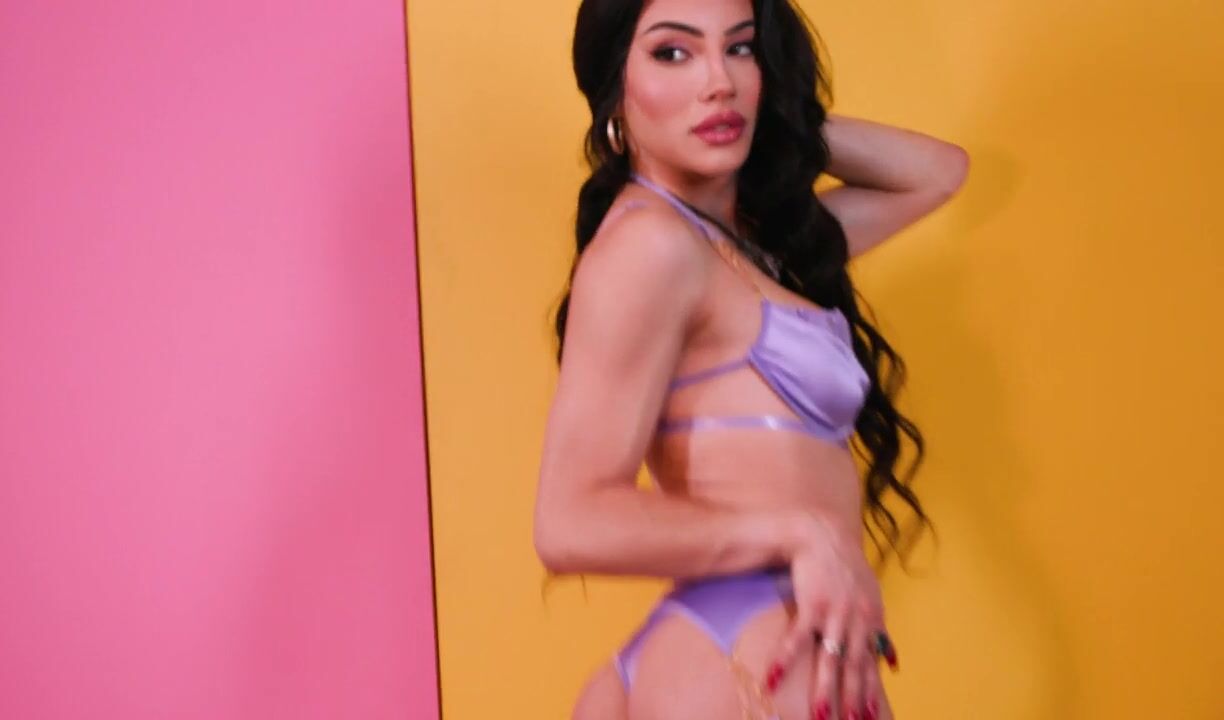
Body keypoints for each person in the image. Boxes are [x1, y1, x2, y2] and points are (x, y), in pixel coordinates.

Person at [533, 0, 968, 717]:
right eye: (673, 53)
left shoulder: (746, 248)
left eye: (740, 49)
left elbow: (938, 172)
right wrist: (799, 534)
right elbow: (567, 520)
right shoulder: (650, 246)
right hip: (745, 655)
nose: (719, 82)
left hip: (749, 649)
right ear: (615, 88)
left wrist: (782, 117)